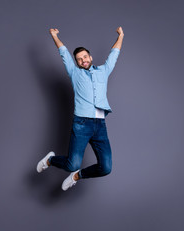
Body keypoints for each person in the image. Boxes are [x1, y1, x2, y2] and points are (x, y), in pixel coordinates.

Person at [37, 27, 124, 191]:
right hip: (82, 124)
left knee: (106, 168)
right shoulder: (75, 73)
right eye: (79, 59)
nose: (83, 60)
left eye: (85, 56)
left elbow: (114, 54)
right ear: (76, 62)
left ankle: (77, 176)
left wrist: (121, 36)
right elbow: (63, 52)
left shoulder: (103, 71)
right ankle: (50, 160)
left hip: (100, 126)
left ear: (90, 57)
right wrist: (54, 36)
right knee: (72, 164)